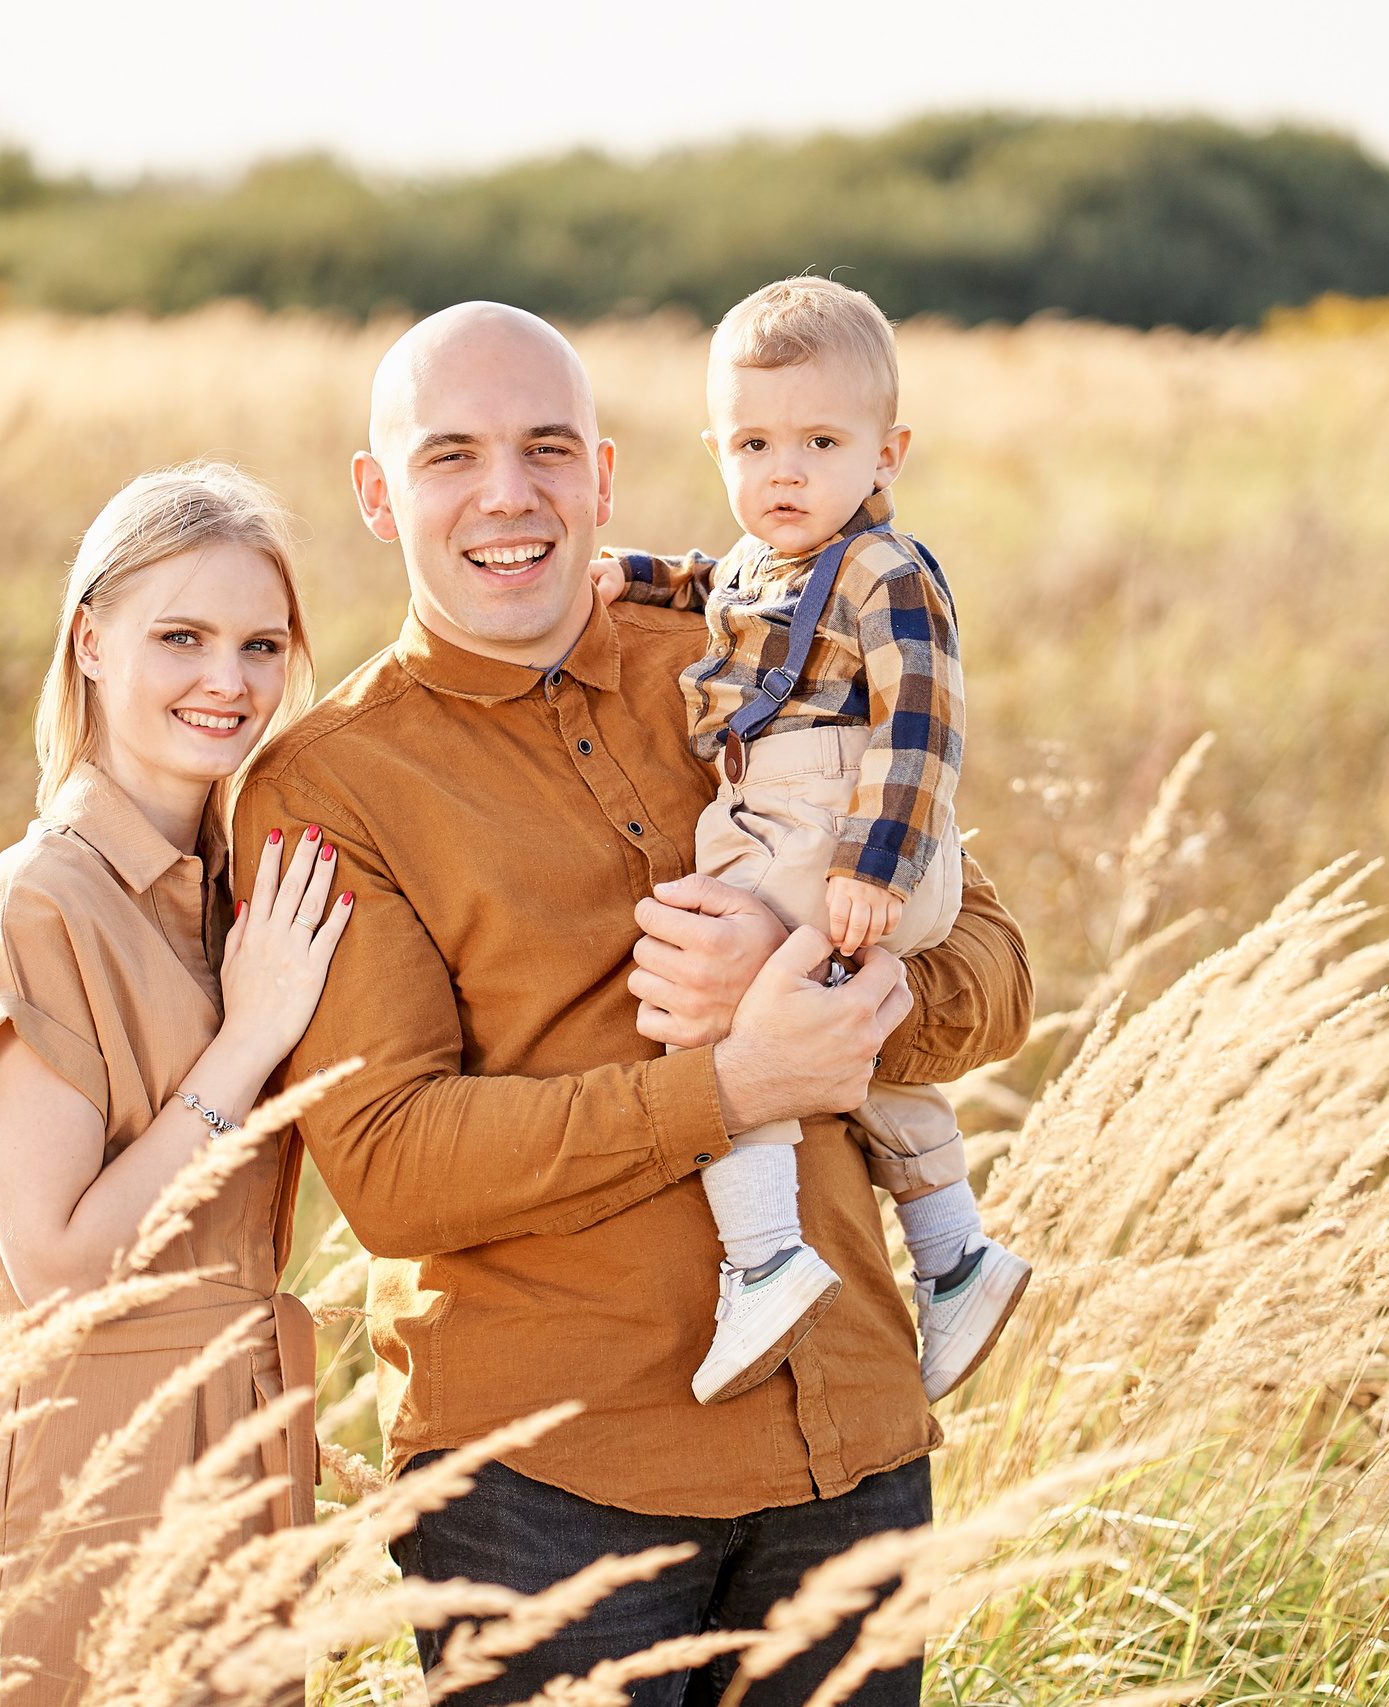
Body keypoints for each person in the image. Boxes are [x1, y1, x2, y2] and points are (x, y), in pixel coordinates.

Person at [233, 304, 1033, 1707]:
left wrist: (812, 997)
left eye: (548, 447)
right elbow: (395, 1169)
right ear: (377, 494)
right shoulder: (330, 784)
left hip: (847, 1444)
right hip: (548, 1490)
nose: (508, 493)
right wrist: (733, 1084)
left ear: (603, 474)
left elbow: (999, 972)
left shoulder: (751, 648)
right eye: (450, 456)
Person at [0, 463, 353, 1706]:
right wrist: (247, 1041)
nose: (230, 681)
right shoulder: (35, 904)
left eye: (262, 644)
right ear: (90, 643)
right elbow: (54, 1264)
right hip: (80, 1470)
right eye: (182, 638)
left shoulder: (243, 893)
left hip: (237, 1454)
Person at [592, 276, 1031, 1408]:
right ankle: (954, 1255)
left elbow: (924, 723)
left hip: (835, 821)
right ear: (715, 449)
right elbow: (703, 582)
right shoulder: (760, 560)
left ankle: (765, 1257)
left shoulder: (887, 573)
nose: (782, 472)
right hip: (782, 814)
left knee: (713, 1007)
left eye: (819, 441)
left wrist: (869, 866)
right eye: (752, 443)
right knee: (850, 1047)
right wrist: (628, 576)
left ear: (886, 455)